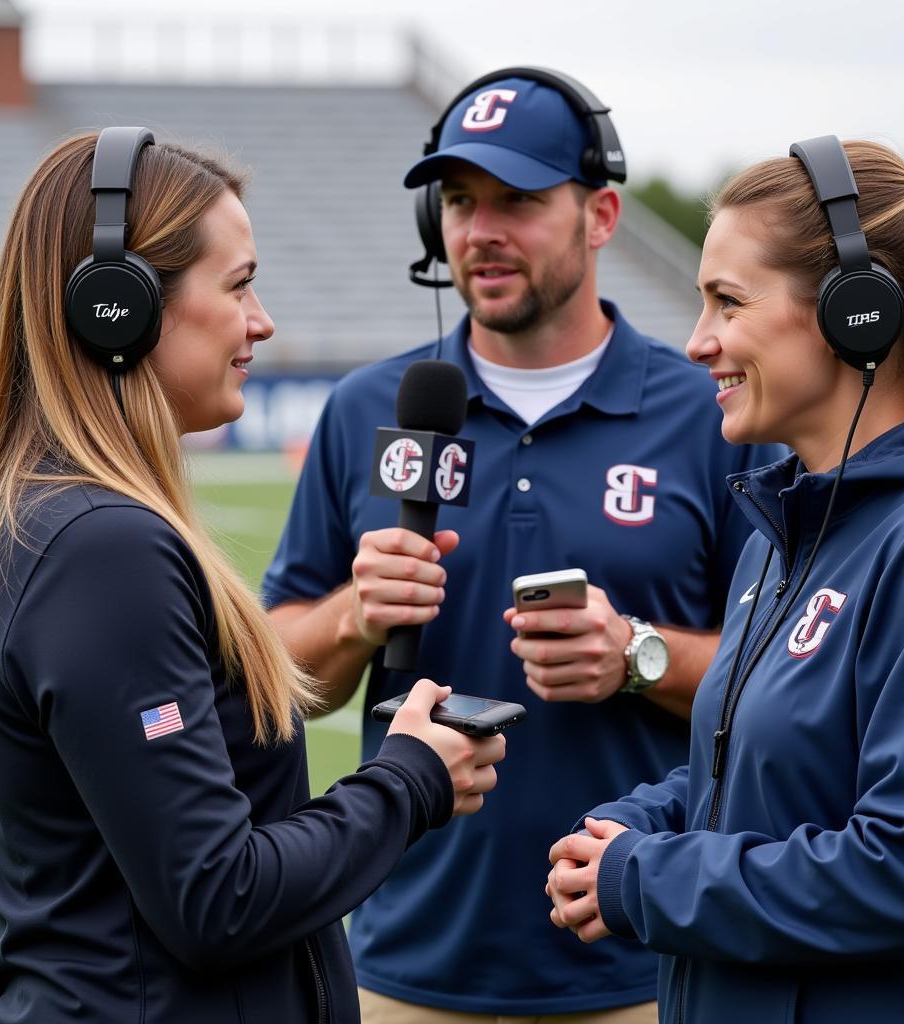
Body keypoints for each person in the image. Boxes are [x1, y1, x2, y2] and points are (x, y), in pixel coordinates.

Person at [263, 70, 784, 1023]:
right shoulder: (366, 411)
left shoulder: (715, 414)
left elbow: (793, 680)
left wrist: (637, 654)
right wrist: (354, 612)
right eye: (459, 201)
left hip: (646, 956)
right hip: (400, 963)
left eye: (518, 200)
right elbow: (280, 679)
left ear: (601, 214)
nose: (479, 230)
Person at [0, 129, 505, 1024]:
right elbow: (217, 898)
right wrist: (411, 777)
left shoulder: (55, 518)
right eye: (238, 286)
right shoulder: (101, 549)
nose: (262, 320)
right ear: (119, 307)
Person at [546, 135, 904, 1022]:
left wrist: (647, 879)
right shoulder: (783, 532)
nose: (697, 343)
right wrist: (642, 822)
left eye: (728, 301)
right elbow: (767, 770)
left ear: (855, 313)